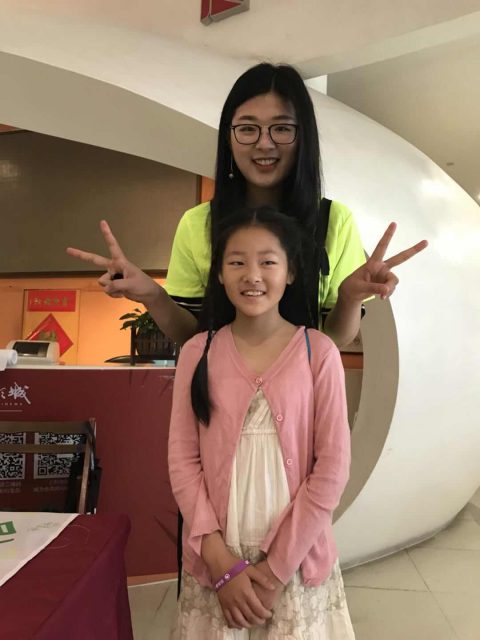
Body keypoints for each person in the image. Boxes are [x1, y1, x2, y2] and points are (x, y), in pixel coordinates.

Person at [66, 62, 427, 348]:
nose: (264, 143)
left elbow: (333, 340)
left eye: (282, 128)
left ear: (304, 137)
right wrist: (153, 295)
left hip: (301, 400)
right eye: (248, 128)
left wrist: (349, 297)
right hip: (219, 397)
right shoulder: (198, 223)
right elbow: (192, 335)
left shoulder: (333, 220)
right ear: (229, 137)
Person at [168, 206, 356, 639]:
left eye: (268, 261)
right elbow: (182, 460)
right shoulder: (197, 352)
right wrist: (218, 560)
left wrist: (274, 572)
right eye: (237, 262)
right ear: (219, 273)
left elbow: (332, 468)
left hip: (296, 558)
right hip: (218, 554)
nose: (252, 275)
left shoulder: (318, 352)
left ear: (290, 272)